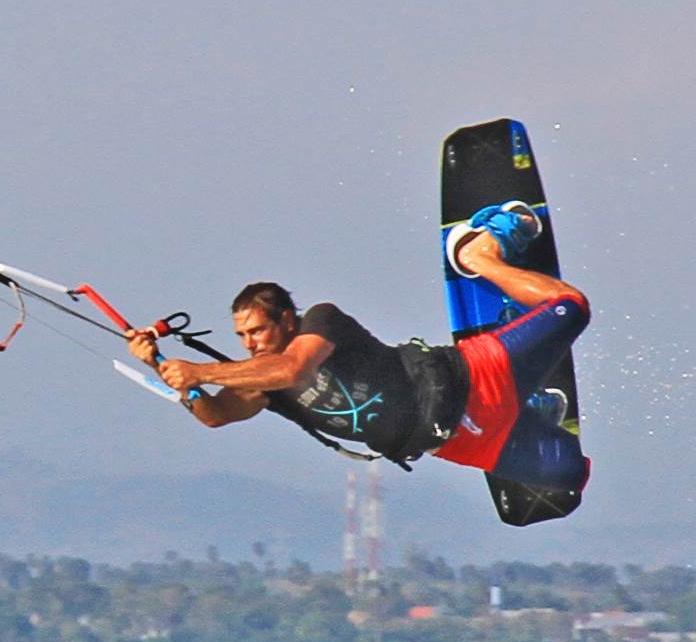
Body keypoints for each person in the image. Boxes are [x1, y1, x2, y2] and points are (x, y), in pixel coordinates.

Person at [125, 203, 591, 490]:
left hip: (474, 373)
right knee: (572, 476)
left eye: (257, 332)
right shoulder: (257, 382)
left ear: (286, 320)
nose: (249, 345)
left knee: (573, 306)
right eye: (242, 337)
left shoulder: (321, 322)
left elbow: (294, 370)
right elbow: (215, 416)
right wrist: (167, 370)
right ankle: (530, 409)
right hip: (462, 441)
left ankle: (478, 253)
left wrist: (201, 372)